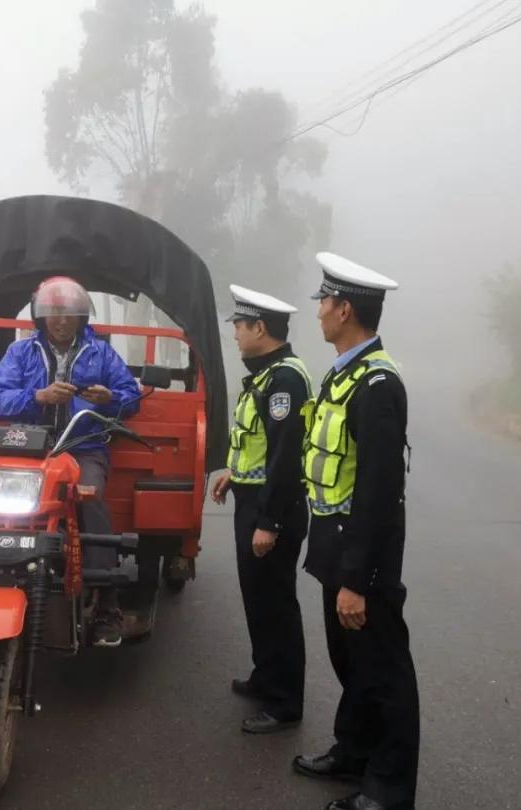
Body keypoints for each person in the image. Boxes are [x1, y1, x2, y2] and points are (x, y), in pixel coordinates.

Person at [0, 276, 141, 647]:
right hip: (25, 446)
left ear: (80, 317)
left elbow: (131, 398)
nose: (60, 320)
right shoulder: (21, 353)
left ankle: (106, 603)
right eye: (52, 314)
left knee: (91, 500)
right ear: (40, 317)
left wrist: (109, 398)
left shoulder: (103, 354)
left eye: (67, 313)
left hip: (82, 445)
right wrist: (39, 396)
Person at [291, 253, 420, 810]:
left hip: (361, 558)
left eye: (324, 301)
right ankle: (354, 751)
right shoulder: (344, 373)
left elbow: (377, 492)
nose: (318, 311)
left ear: (344, 309)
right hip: (335, 548)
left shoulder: (377, 386)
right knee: (352, 662)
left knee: (384, 672)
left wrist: (359, 579)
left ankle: (388, 789)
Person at [211, 285, 312, 735]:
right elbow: (260, 445)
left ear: (261, 328)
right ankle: (265, 675)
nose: (234, 333)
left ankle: (285, 701)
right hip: (252, 500)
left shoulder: (285, 379)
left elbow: (287, 458)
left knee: (275, 603)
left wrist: (269, 522)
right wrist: (234, 471)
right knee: (257, 597)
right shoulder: (266, 375)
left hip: (273, 509)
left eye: (239, 325)